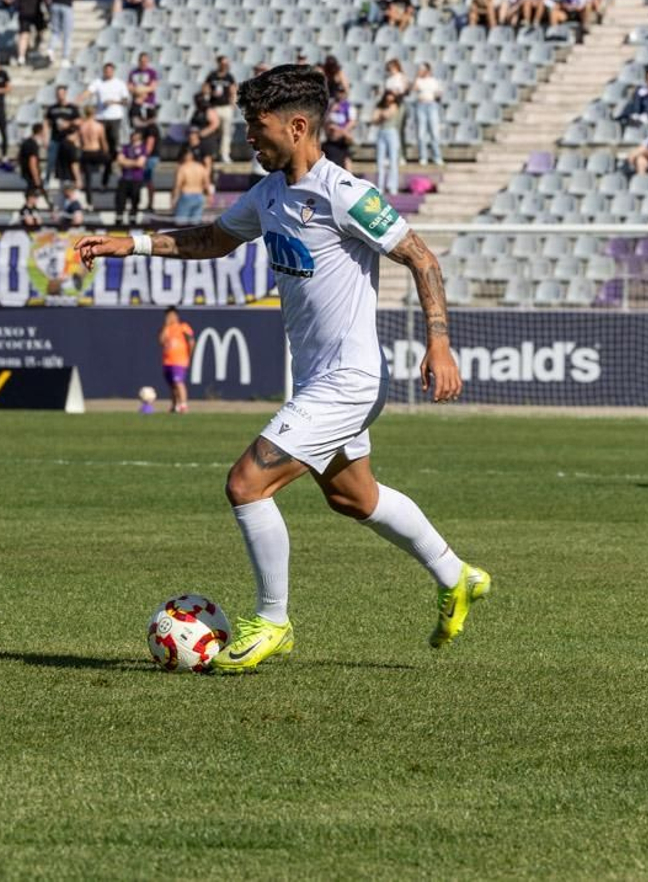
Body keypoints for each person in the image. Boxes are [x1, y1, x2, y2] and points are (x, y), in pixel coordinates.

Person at [75, 65, 487, 671]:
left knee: (246, 484)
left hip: (348, 379)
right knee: (354, 497)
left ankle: (272, 621)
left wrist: (440, 345)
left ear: (297, 127)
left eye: (257, 126)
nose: (248, 137)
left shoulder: (343, 193)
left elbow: (422, 259)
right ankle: (458, 576)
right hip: (320, 377)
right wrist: (132, 243)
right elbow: (214, 239)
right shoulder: (268, 195)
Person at [80, 63, 129, 165]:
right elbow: (89, 92)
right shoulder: (98, 82)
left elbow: (125, 101)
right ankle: (102, 161)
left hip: (115, 116)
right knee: (101, 139)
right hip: (101, 116)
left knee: (113, 139)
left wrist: (114, 102)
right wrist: (79, 99)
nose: (108, 73)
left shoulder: (119, 84)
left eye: (110, 71)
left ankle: (113, 161)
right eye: (106, 71)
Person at [157, 307, 195, 414]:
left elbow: (191, 341)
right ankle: (174, 405)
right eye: (167, 315)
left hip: (179, 360)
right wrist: (166, 326)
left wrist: (189, 355)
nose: (168, 317)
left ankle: (183, 405)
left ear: (175, 316)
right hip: (167, 361)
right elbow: (161, 341)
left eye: (170, 315)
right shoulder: (166, 329)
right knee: (172, 386)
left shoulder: (183, 327)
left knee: (178, 382)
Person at [204, 56, 238, 166]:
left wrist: (232, 104)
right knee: (213, 132)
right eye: (223, 64)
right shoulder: (212, 76)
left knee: (226, 132)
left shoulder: (229, 77)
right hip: (214, 107)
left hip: (225, 107)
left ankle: (225, 154)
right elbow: (205, 88)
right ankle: (212, 153)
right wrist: (209, 94)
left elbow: (233, 90)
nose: (224, 66)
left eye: (226, 64)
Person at [45, 85, 80, 186]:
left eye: (62, 93)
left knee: (70, 161)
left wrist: (69, 124)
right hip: (55, 139)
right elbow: (47, 123)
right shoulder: (52, 108)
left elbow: (79, 122)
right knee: (51, 160)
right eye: (58, 94)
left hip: (68, 140)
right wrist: (45, 138)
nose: (60, 96)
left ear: (65, 94)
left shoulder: (72, 108)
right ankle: (46, 181)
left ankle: (70, 181)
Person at [411, 63, 444, 166]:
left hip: (431, 105)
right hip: (421, 106)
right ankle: (423, 157)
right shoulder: (419, 80)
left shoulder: (434, 81)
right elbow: (414, 88)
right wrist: (417, 76)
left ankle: (437, 156)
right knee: (421, 133)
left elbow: (438, 93)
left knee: (434, 132)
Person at [49, 0, 81, 67]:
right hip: (66, 6)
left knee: (55, 31)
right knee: (67, 33)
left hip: (54, 6)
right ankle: (65, 58)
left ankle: (51, 48)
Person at [13, 0, 47, 65]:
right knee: (25, 35)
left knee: (29, 34)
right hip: (33, 12)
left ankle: (22, 56)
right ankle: (23, 55)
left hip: (26, 13)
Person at [372, 91, 404, 193]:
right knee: (380, 161)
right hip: (382, 132)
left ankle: (392, 186)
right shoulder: (381, 106)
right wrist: (380, 114)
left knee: (393, 161)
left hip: (392, 133)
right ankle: (380, 185)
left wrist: (380, 114)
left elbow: (386, 115)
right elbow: (374, 120)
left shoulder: (394, 106)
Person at [114, 130, 148, 226]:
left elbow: (140, 163)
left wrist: (126, 162)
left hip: (136, 179)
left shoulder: (143, 148)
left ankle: (133, 219)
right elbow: (119, 160)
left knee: (135, 199)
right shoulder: (126, 147)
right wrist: (133, 162)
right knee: (120, 199)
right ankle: (119, 218)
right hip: (124, 178)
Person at [171, 147, 211, 224]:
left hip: (187, 195)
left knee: (181, 225)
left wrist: (173, 198)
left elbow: (177, 185)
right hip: (199, 196)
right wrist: (209, 195)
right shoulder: (201, 167)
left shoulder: (183, 168)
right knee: (195, 225)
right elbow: (206, 183)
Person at [75, 105, 111, 190]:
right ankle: (104, 183)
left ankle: (88, 196)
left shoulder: (82, 126)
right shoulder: (98, 126)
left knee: (88, 175)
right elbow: (103, 141)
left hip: (86, 151)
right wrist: (106, 151)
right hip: (95, 150)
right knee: (108, 162)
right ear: (94, 113)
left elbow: (78, 141)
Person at [321, 85, 355, 169]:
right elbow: (325, 120)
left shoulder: (348, 106)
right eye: (338, 92)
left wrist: (342, 131)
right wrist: (331, 110)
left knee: (346, 157)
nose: (340, 94)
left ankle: (348, 176)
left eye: (342, 92)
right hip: (331, 135)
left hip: (342, 136)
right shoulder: (331, 105)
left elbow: (352, 122)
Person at [17, 121, 45, 194]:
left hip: (25, 173)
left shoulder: (26, 142)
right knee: (32, 195)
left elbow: (18, 156)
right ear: (40, 132)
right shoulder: (33, 145)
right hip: (31, 176)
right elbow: (32, 162)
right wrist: (36, 179)